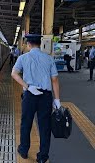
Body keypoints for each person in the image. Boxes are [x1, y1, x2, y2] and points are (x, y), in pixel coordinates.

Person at [11, 34, 61, 163]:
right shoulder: (49, 59)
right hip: (45, 97)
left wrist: (27, 86)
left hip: (30, 95)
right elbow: (54, 80)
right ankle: (43, 156)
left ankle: (23, 150)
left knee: (26, 123)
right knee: (45, 126)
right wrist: (57, 100)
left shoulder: (23, 58)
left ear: (28, 45)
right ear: (40, 44)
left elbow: (14, 74)